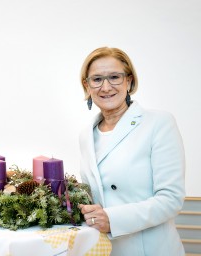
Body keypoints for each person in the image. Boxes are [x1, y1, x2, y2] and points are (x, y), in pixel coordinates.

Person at [77, 47, 185, 255]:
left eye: (115, 77)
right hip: (105, 249)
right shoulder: (86, 135)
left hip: (151, 249)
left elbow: (171, 199)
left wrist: (113, 219)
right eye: (97, 79)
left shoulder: (159, 123)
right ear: (87, 86)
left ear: (129, 81)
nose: (106, 87)